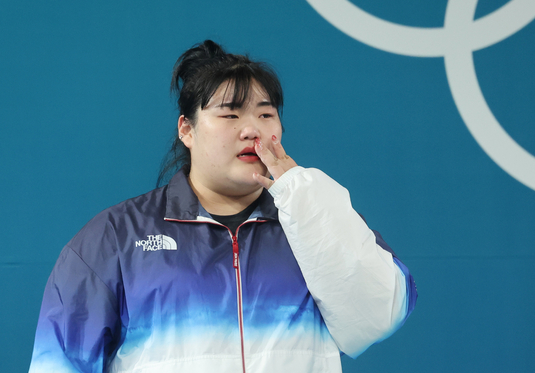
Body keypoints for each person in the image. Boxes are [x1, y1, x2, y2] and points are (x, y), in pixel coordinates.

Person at [28, 40, 417, 373]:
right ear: (187, 129)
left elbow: (380, 316)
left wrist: (304, 198)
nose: (252, 130)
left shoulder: (313, 218)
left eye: (266, 114)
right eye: (230, 114)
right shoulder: (114, 237)